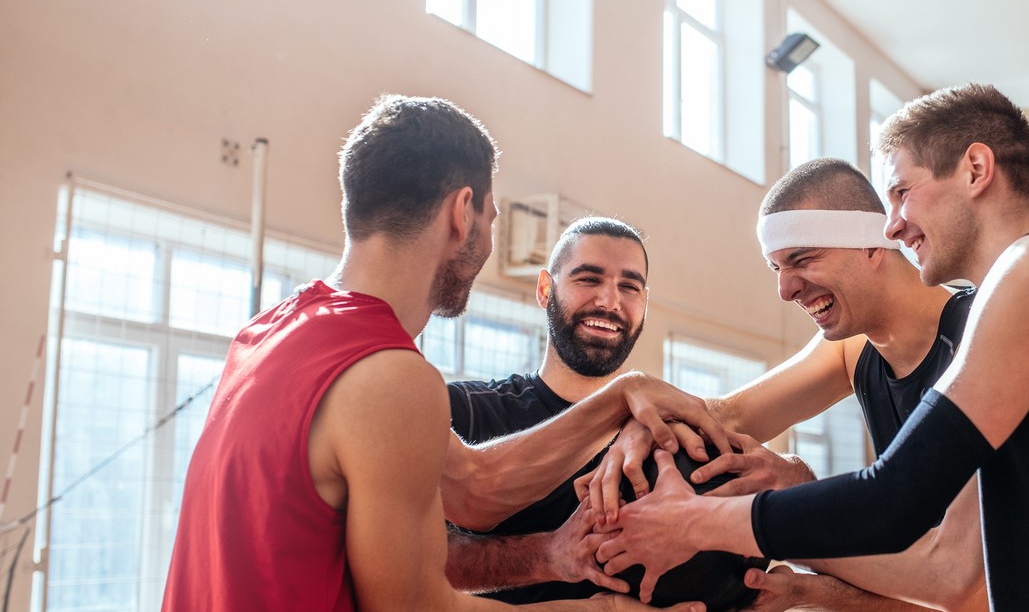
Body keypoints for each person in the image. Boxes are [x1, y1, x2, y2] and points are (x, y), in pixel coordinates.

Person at [595, 84, 1029, 611]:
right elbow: (730, 417)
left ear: (976, 170)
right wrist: (639, 419)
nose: (894, 223)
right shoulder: (1009, 296)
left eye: (902, 192)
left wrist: (691, 522)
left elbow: (903, 509)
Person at [163, 95, 696, 612]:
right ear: (462, 211)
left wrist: (622, 395)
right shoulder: (391, 375)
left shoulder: (268, 333)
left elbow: (474, 487)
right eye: (491, 217)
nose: (487, 242)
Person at [579, 159, 987, 612]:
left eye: (802, 259)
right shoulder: (854, 350)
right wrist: (646, 426)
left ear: (873, 246)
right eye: (775, 266)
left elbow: (966, 588)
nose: (785, 289)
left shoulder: (984, 339)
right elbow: (730, 414)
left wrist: (741, 516)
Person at [444, 217, 732, 604]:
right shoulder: (464, 413)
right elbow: (417, 557)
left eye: (629, 287)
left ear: (645, 303)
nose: (609, 302)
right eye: (588, 279)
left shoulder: (669, 435)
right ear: (546, 289)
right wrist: (547, 553)